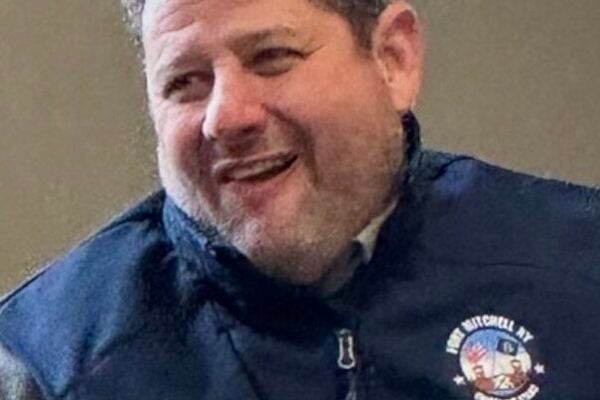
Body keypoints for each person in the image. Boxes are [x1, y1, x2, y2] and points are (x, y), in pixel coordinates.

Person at [0, 0, 599, 399]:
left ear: (393, 59)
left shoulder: (578, 268)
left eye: (271, 58)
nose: (225, 117)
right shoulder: (46, 363)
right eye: (185, 82)